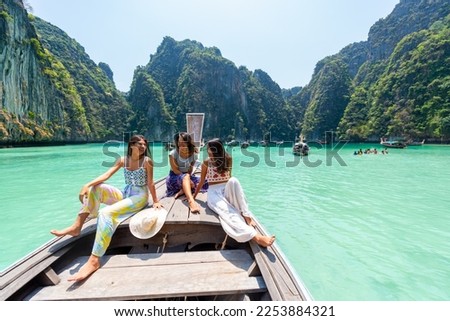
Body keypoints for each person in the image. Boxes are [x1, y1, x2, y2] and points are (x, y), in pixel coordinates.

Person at [50, 134, 162, 282]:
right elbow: (106, 175)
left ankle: (94, 260)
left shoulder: (147, 161)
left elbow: (151, 183)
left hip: (139, 196)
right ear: (131, 145)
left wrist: (155, 201)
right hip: (126, 193)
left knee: (105, 213)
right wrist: (87, 184)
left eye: (144, 145)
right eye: (139, 144)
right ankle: (77, 226)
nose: (143, 147)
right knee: (96, 189)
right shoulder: (123, 160)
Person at [192, 138, 275, 247]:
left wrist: (232, 194)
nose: (208, 152)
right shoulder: (206, 162)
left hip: (226, 189)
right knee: (228, 212)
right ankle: (257, 237)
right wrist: (193, 198)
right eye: (208, 150)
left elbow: (229, 177)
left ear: (217, 150)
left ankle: (247, 216)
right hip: (214, 193)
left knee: (234, 180)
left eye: (210, 150)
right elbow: (202, 182)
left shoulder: (228, 159)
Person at [165, 132, 207, 213]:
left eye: (183, 141)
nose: (180, 143)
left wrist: (188, 176)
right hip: (174, 177)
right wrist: (186, 177)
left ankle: (183, 190)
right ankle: (191, 201)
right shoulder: (173, 154)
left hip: (187, 176)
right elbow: (175, 170)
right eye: (178, 141)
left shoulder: (194, 154)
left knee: (205, 182)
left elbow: (190, 169)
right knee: (186, 178)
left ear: (188, 142)